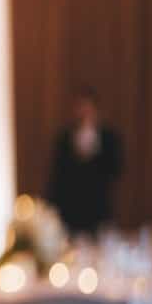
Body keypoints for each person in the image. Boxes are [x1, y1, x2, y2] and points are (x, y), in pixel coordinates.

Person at [46, 87, 123, 235]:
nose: (83, 112)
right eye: (80, 107)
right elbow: (57, 176)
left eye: (87, 107)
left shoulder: (108, 138)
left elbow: (115, 170)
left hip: (99, 208)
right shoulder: (64, 138)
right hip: (70, 210)